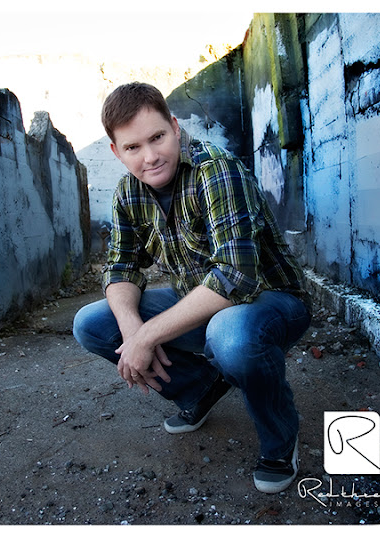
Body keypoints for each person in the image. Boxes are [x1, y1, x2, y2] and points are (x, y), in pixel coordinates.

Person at [73, 82, 311, 494]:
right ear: (116, 152)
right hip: (200, 301)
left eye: (157, 137)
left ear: (175, 127)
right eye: (133, 147)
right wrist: (132, 330)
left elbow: (236, 276)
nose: (150, 156)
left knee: (231, 336)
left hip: (272, 302)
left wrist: (148, 335)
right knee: (92, 323)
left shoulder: (216, 169)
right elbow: (120, 267)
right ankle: (200, 388)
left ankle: (279, 438)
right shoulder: (128, 193)